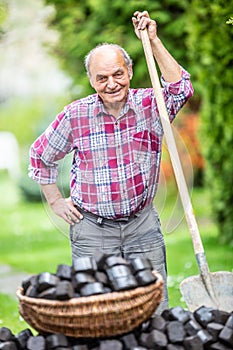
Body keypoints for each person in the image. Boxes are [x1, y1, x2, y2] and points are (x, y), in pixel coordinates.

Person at [29, 10, 194, 313]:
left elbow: (181, 88)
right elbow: (41, 155)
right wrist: (54, 201)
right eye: (101, 77)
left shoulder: (150, 104)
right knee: (97, 314)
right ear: (91, 81)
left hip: (142, 227)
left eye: (118, 74)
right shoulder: (75, 115)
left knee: (153, 311)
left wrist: (154, 41)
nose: (112, 83)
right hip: (92, 230)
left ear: (129, 71)